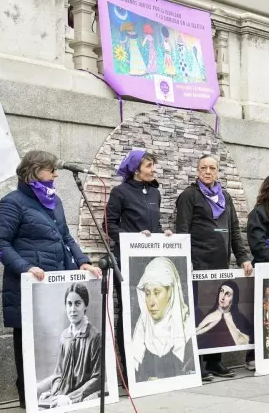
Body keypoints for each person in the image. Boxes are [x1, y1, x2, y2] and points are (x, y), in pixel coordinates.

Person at [0, 150, 100, 408]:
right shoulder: (13, 202)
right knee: (26, 340)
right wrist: (25, 267)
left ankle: (55, 393)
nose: (55, 175)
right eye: (50, 170)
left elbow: (65, 238)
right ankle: (27, 398)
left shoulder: (55, 201)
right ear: (33, 171)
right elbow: (1, 243)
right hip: (29, 283)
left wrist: (83, 260)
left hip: (55, 281)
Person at [175, 155, 252, 376]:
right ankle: (197, 362)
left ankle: (214, 361)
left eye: (212, 168)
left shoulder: (225, 197)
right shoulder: (189, 196)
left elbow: (235, 231)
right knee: (199, 314)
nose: (207, 171)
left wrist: (243, 257)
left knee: (219, 311)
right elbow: (182, 231)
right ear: (197, 171)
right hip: (199, 266)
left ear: (217, 172)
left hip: (221, 266)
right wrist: (185, 261)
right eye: (203, 168)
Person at [105, 149, 172, 384]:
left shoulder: (155, 192)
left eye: (153, 165)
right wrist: (133, 236)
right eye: (149, 166)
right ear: (136, 170)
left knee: (152, 314)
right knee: (132, 314)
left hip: (150, 262)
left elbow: (155, 224)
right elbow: (110, 226)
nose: (153, 170)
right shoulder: (119, 192)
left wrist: (162, 233)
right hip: (127, 261)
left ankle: (151, 367)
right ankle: (129, 370)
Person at [36, 283, 101, 408]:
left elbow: (97, 378)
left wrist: (69, 398)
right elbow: (60, 373)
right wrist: (53, 393)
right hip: (63, 392)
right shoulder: (65, 335)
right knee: (38, 397)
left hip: (80, 393)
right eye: (69, 304)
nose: (72, 309)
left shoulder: (94, 337)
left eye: (77, 303)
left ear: (85, 305)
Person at [131, 257, 195, 382]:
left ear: (170, 291)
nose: (151, 303)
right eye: (148, 293)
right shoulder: (139, 335)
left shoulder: (187, 331)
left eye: (157, 292)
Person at [195, 281, 252, 349]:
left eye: (227, 294)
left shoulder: (241, 320)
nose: (223, 297)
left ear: (234, 299)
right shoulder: (208, 317)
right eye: (221, 291)